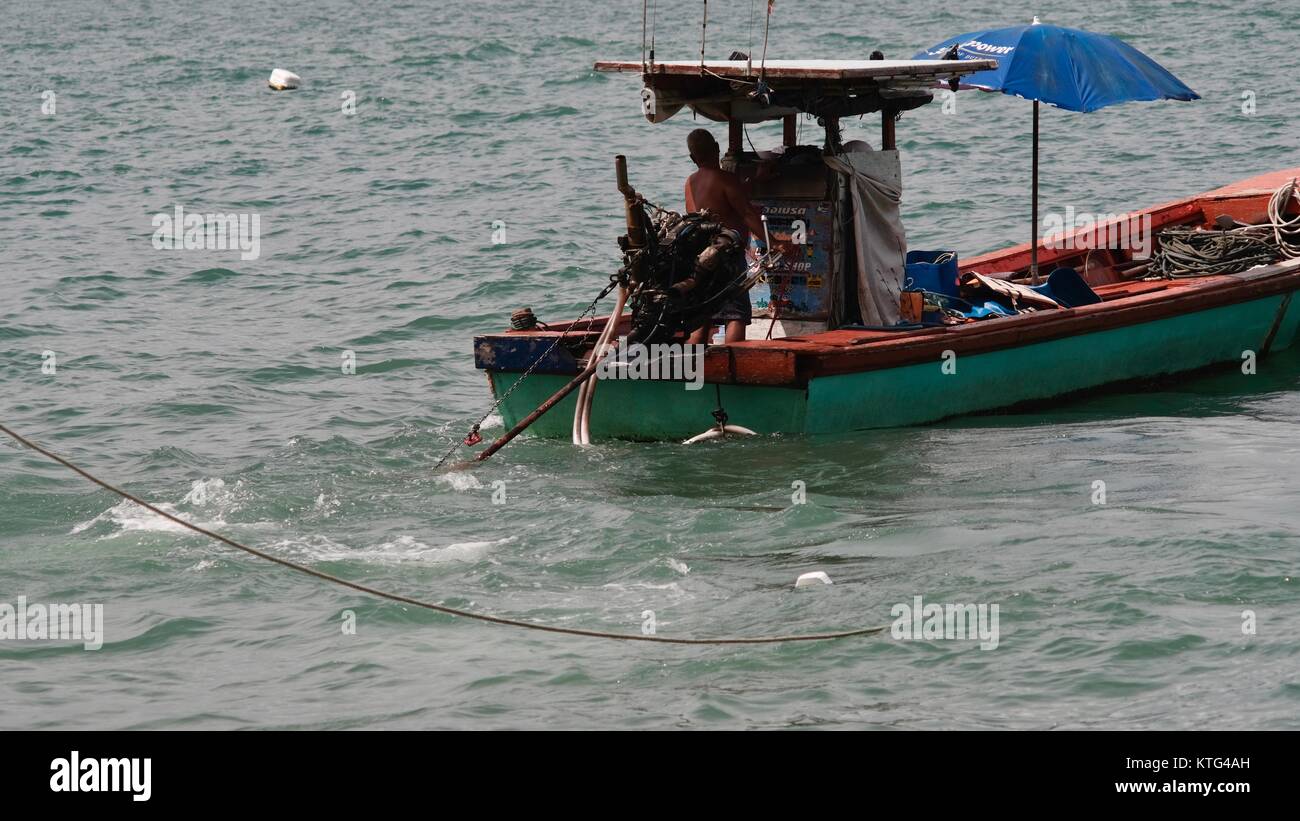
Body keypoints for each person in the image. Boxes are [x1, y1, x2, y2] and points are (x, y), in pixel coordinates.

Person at [682, 128, 771, 344]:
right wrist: (774, 242)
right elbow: (747, 214)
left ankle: (692, 361)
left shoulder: (690, 183)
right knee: (736, 315)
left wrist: (752, 182)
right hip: (726, 255)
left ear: (693, 158)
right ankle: (732, 362)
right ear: (717, 148)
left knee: (702, 318)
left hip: (701, 257)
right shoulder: (726, 179)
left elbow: (719, 201)